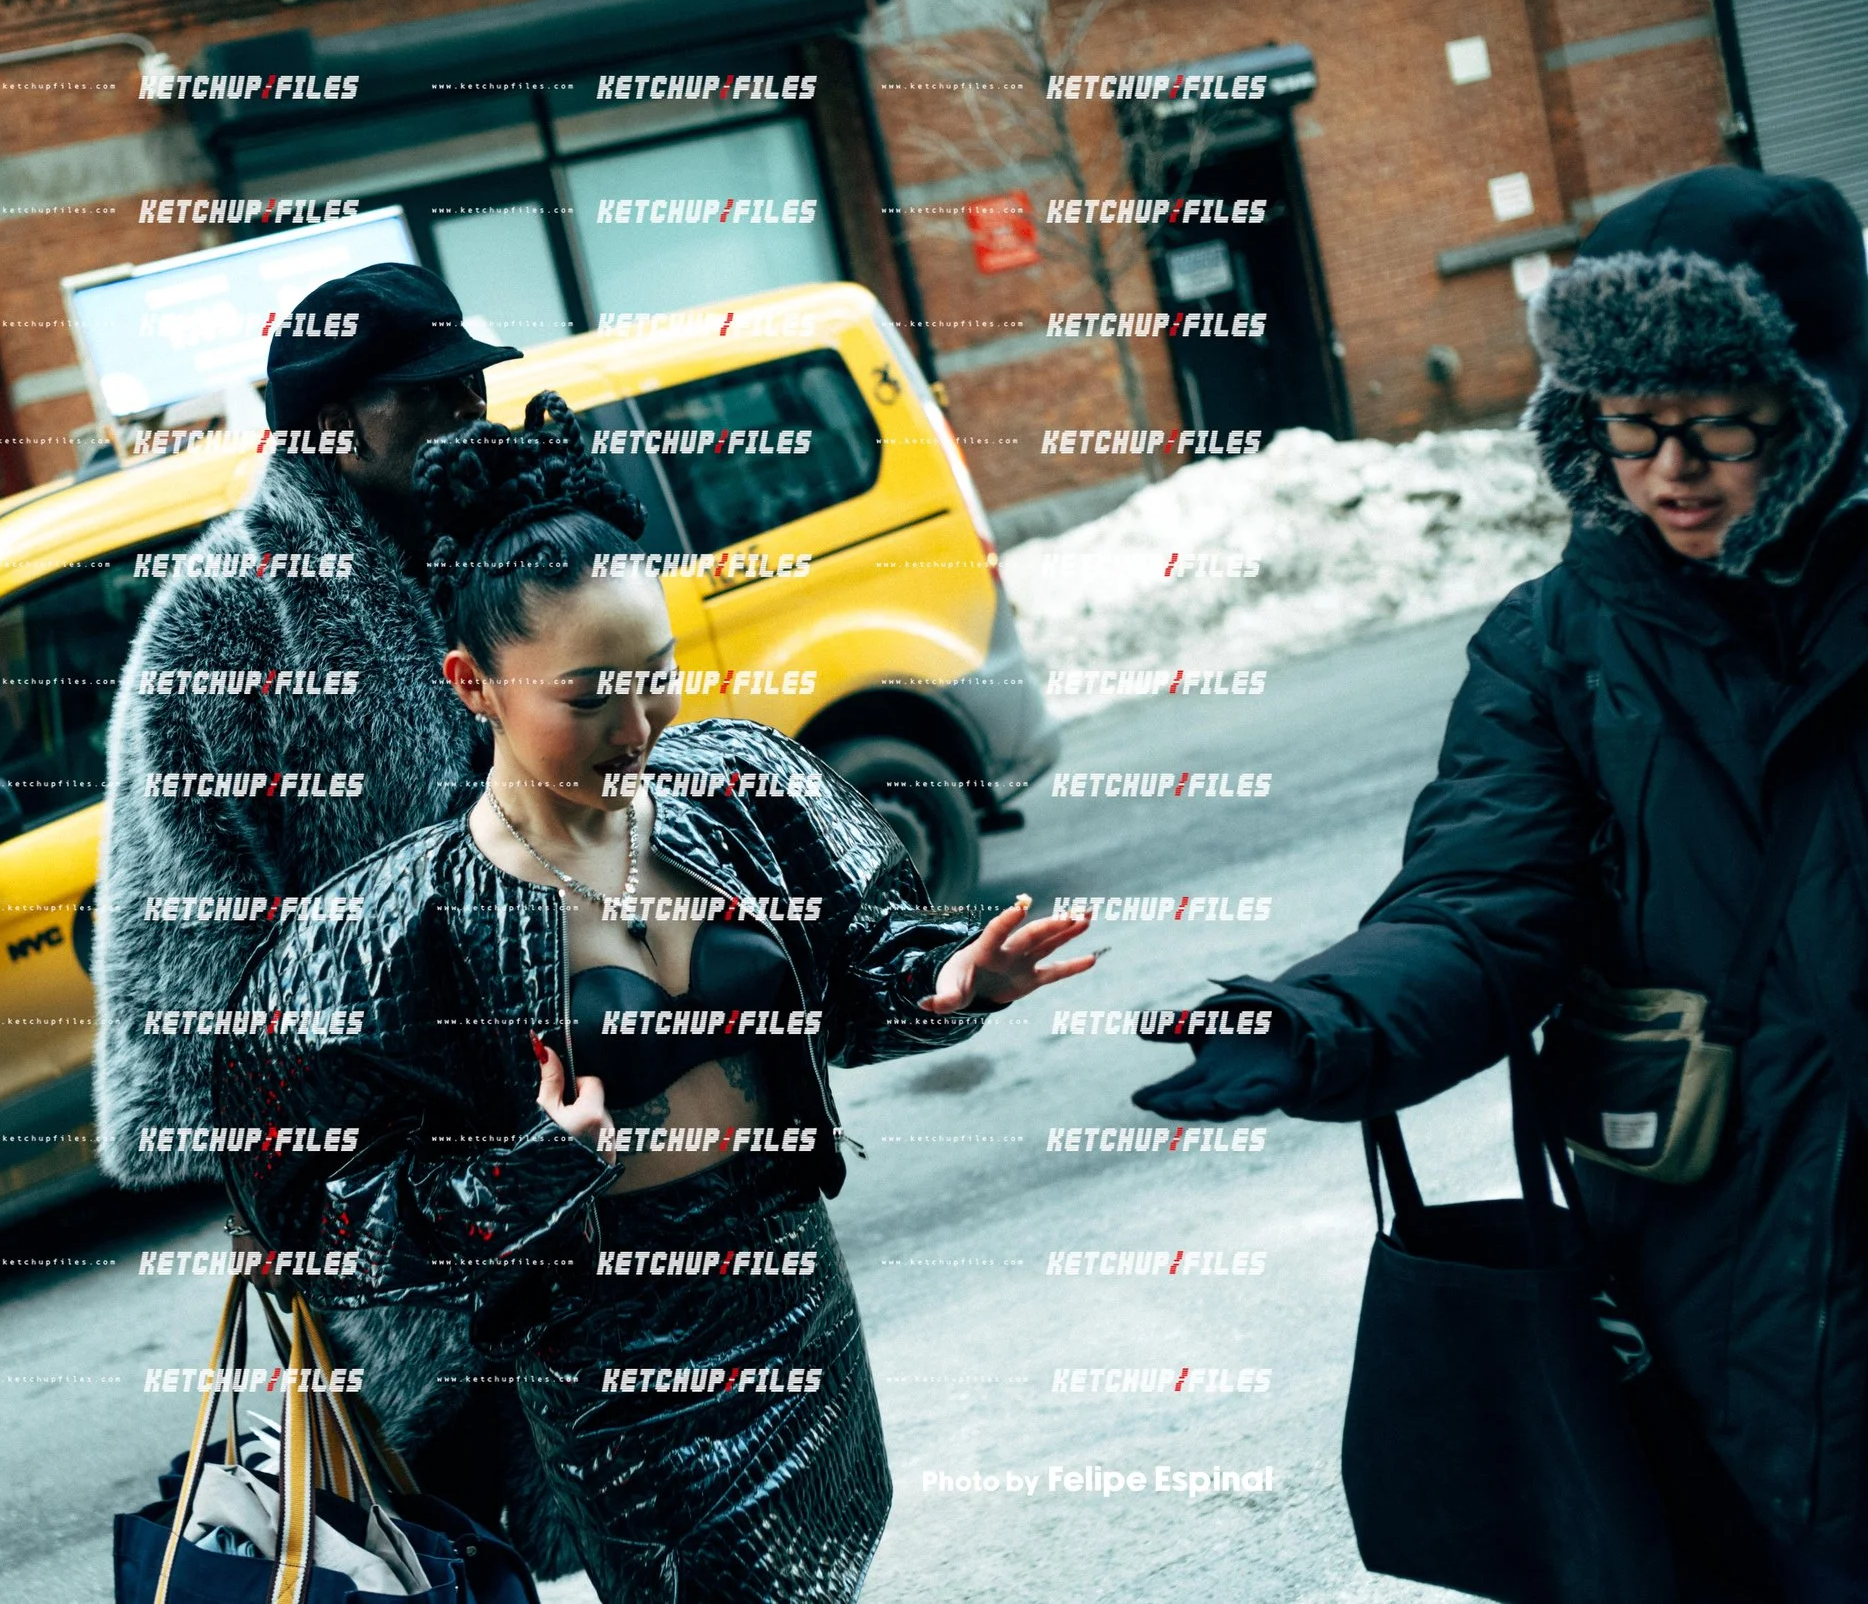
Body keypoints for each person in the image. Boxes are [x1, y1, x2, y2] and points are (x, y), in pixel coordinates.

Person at [208, 393, 1097, 1604]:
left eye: (657, 675)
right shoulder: (404, 930)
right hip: (617, 1363)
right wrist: (532, 1166)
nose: (638, 725)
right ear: (473, 682)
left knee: (826, 1570)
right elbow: (322, 1213)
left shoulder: (734, 789)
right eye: (588, 696)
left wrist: (948, 981)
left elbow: (862, 960)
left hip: (794, 1290)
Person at [1130, 166, 1868, 1599]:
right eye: (1631, 424)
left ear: (1819, 398)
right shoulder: (1557, 652)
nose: (1672, 467)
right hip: (1718, 1262)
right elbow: (1481, 898)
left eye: (1718, 418)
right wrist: (1318, 1020)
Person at [90, 263, 582, 1562]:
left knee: (640, 1495)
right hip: (394, 1182)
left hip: (579, 1124)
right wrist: (300, 1196)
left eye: (475, 381)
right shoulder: (225, 615)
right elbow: (194, 949)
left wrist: (570, 573)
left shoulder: (493, 554)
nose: (472, 411)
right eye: (432, 394)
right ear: (337, 422)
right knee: (446, 1531)